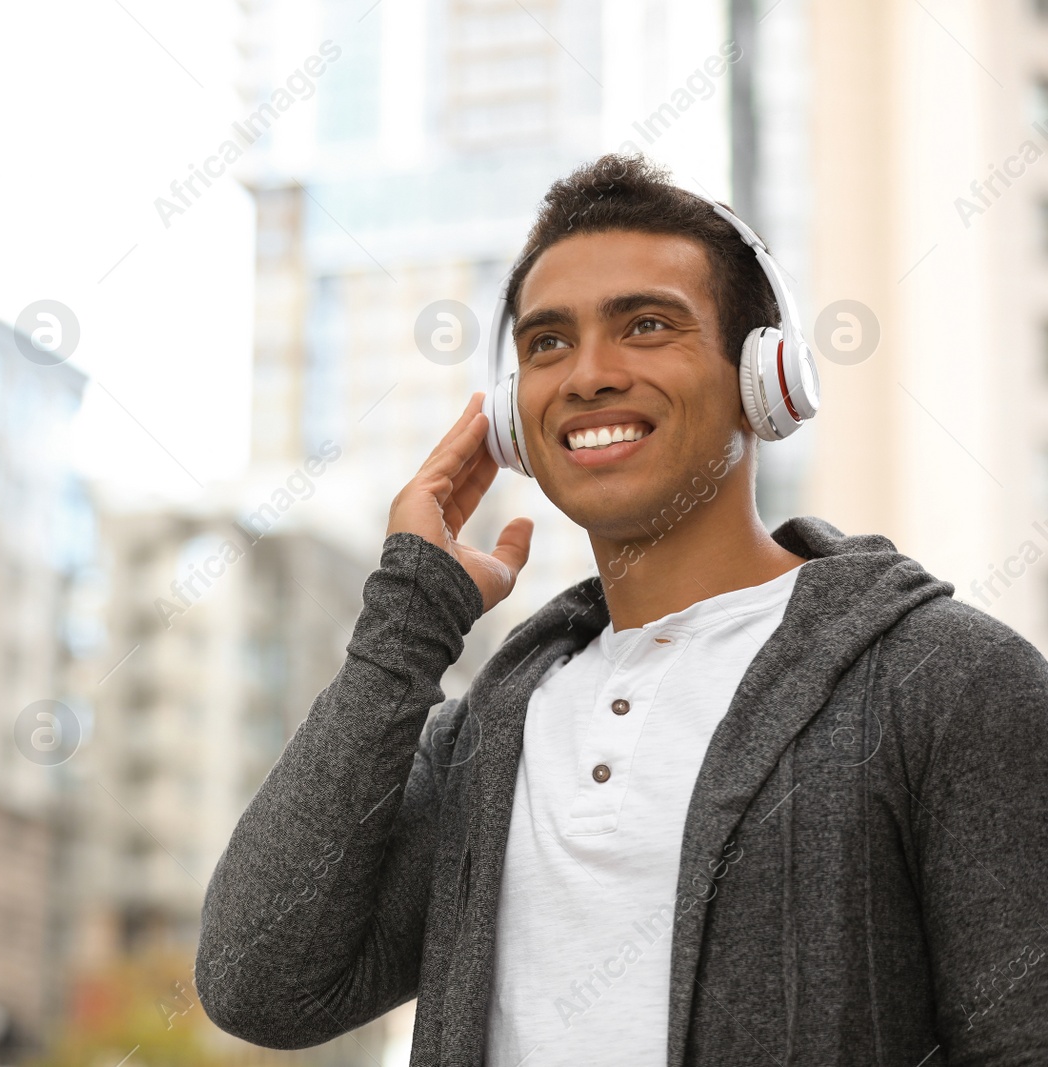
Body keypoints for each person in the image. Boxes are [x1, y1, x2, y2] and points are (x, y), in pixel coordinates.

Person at [194, 153, 1048, 1065]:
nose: (589, 373)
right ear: (513, 417)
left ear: (766, 379)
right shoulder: (496, 727)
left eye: (647, 325)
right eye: (547, 342)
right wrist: (409, 618)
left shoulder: (951, 683)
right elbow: (260, 981)